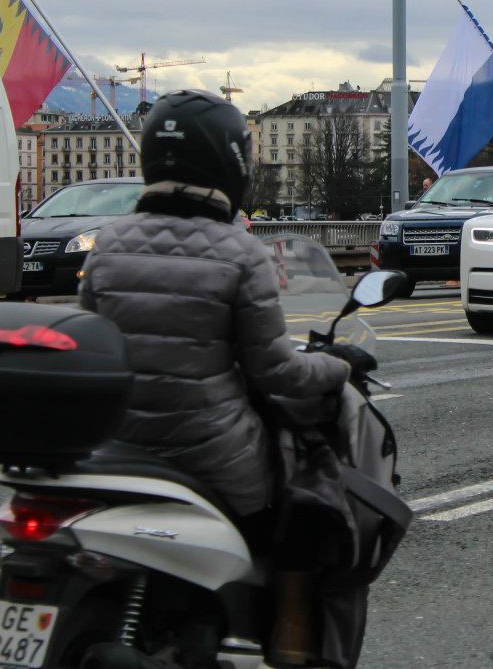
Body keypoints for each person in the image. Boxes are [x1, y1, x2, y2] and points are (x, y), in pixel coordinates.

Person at [77, 89, 375, 667]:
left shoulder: (108, 243)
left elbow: (91, 349)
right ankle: (289, 638)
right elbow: (277, 371)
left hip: (114, 449)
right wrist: (340, 365)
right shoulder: (241, 253)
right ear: (228, 161)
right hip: (207, 456)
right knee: (309, 493)